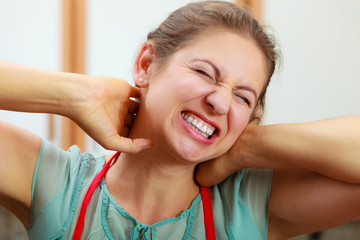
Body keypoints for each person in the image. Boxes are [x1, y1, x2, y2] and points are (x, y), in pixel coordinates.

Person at [0, 1, 359, 239]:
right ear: (146, 64)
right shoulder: (56, 182)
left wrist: (249, 145)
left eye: (243, 97)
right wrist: (76, 93)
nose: (220, 101)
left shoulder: (246, 205)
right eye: (205, 72)